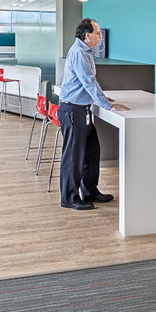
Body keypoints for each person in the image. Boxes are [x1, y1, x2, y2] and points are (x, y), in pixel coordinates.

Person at [58, 19, 130, 211]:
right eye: (97, 33)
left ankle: (90, 191)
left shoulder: (85, 52)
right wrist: (107, 105)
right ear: (87, 35)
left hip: (83, 109)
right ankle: (70, 197)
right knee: (73, 157)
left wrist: (100, 98)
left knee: (92, 151)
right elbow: (89, 82)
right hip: (73, 110)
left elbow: (87, 83)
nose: (100, 36)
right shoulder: (80, 53)